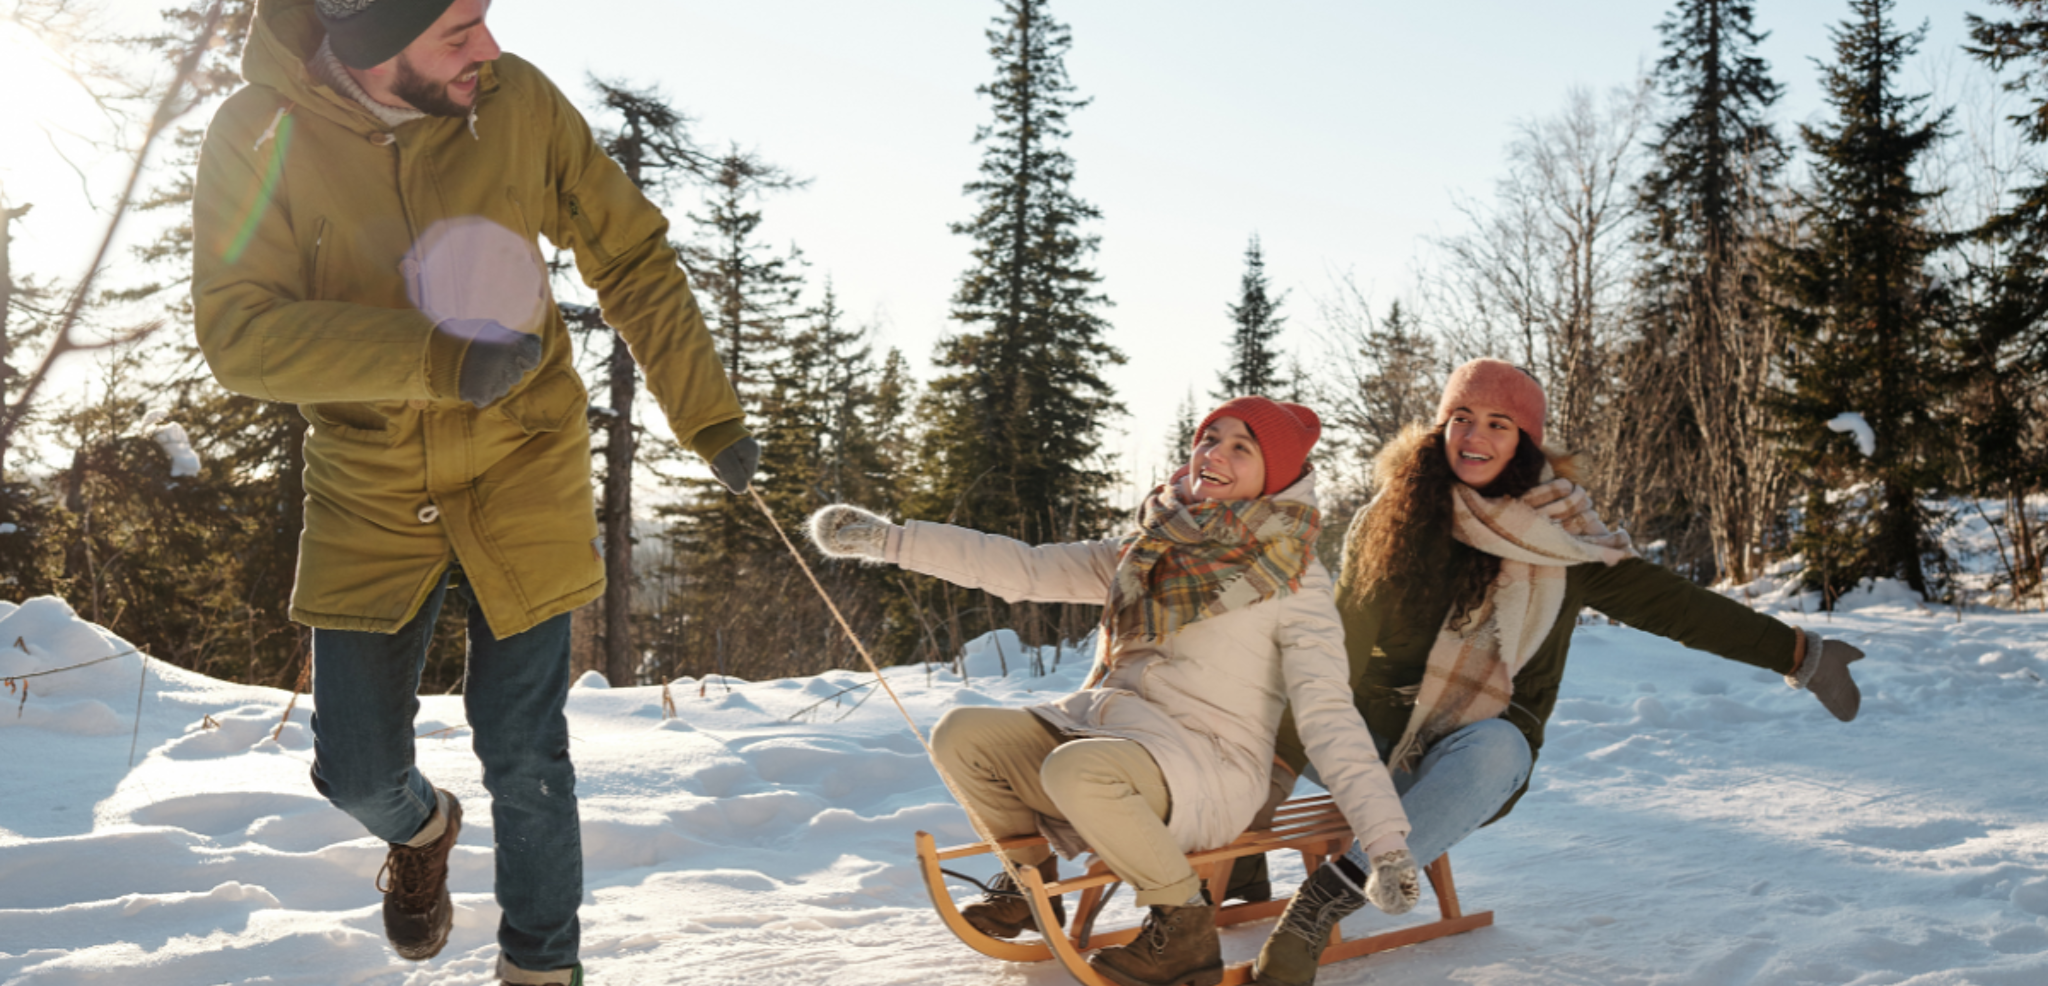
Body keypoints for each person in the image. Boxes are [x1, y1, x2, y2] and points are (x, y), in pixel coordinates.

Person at [189, 1, 758, 983]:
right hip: (368, 482)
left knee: (524, 744)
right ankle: (422, 828)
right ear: (370, 46)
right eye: (457, 30)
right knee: (356, 769)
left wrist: (707, 412)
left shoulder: (514, 103)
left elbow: (628, 254)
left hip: (521, 463)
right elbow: (239, 328)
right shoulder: (257, 135)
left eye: (484, 19)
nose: (487, 48)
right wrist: (430, 356)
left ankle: (540, 967)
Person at [1246, 359, 1866, 986]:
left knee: (1497, 750)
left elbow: (1677, 608)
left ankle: (1320, 905)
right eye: (1461, 419)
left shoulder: (1565, 540)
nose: (1474, 436)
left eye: (1498, 423)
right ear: (1440, 428)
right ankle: (1240, 852)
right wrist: (1274, 773)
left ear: (1525, 442)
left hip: (1467, 756)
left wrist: (1799, 654)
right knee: (1256, 674)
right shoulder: (1394, 517)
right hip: (1371, 739)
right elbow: (1338, 652)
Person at [809, 397, 1419, 986]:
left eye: (1242, 448)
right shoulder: (1150, 549)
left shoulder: (1296, 580)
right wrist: (891, 540)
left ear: (1273, 477)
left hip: (1211, 767)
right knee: (963, 736)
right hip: (1111, 730)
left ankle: (1183, 929)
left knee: (1081, 771)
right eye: (1211, 438)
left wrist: (1385, 845)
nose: (1216, 453)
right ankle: (1029, 880)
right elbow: (1024, 568)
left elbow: (1328, 714)